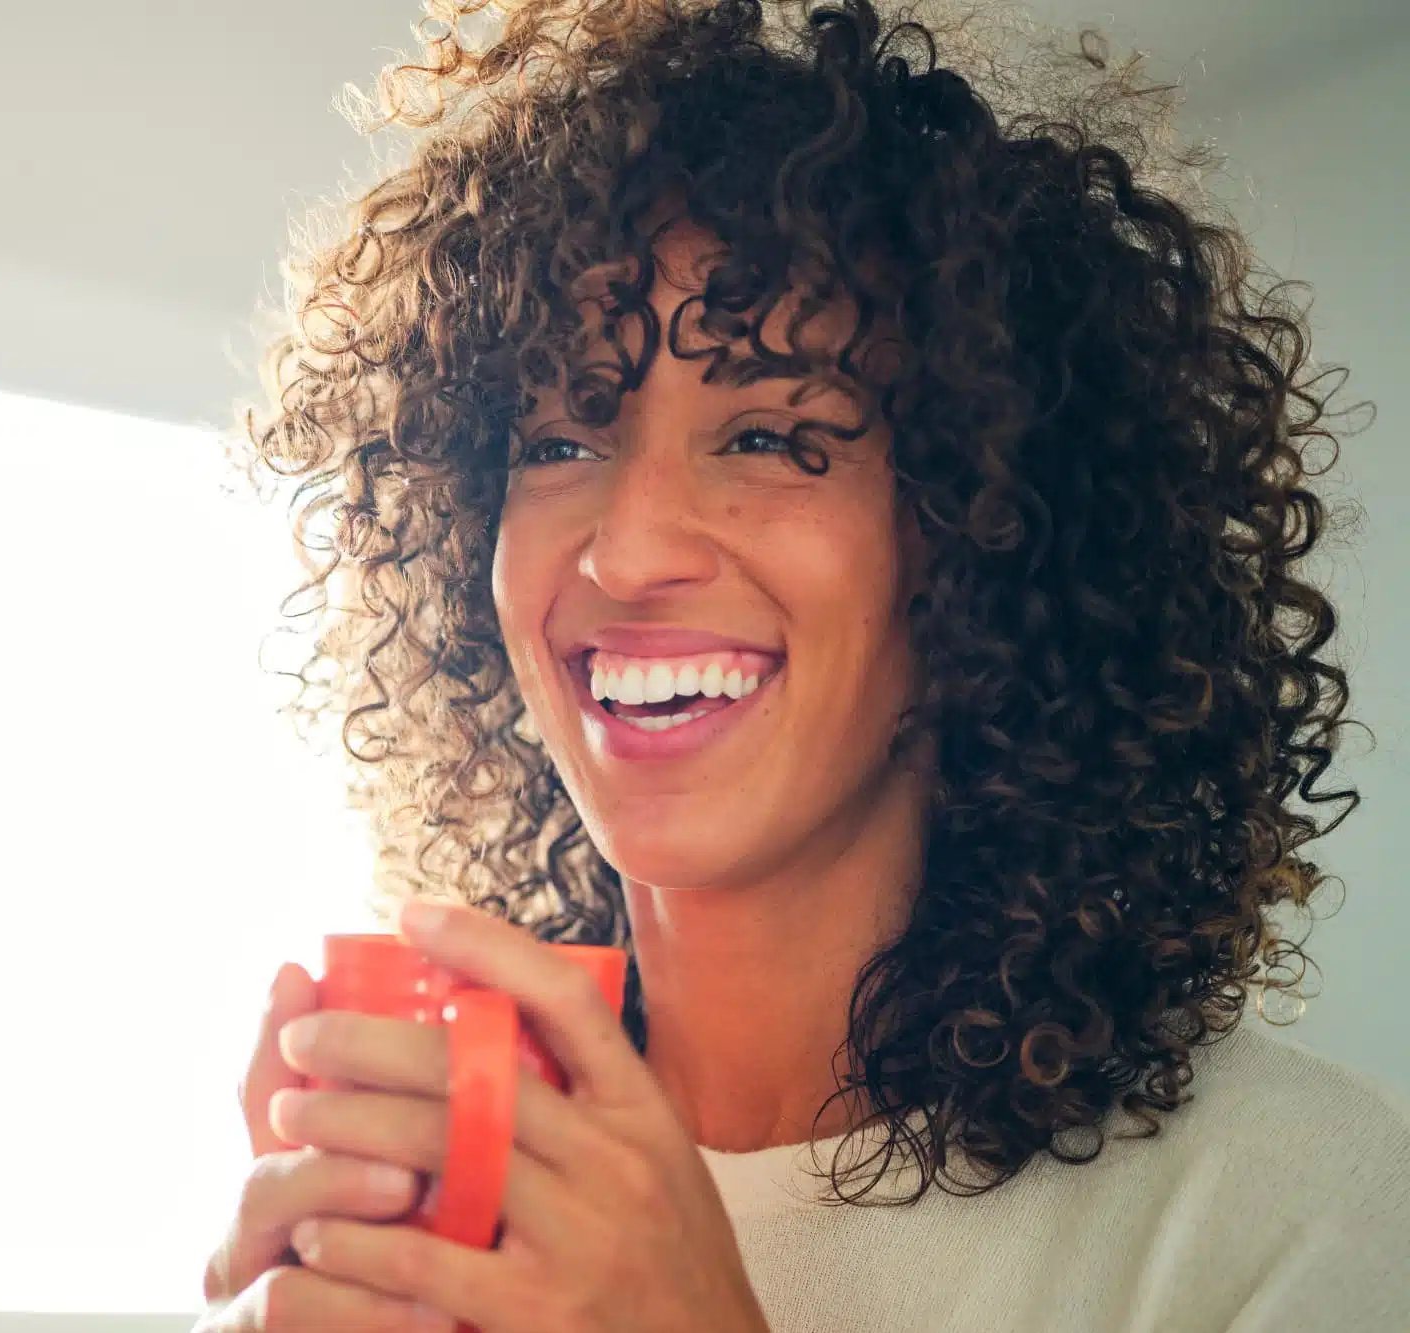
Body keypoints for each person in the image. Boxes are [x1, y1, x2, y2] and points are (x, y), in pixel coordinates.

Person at [197, 2, 1410, 1329]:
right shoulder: (428, 1186)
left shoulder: (1302, 1208)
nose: (628, 548)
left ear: (983, 536)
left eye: (772, 436)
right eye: (556, 441)